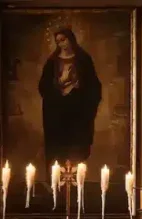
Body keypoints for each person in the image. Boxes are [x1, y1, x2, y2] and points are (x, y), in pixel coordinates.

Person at [38, 27, 102, 165]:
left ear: (71, 38)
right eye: (58, 42)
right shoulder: (52, 61)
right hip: (57, 113)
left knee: (76, 150)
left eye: (63, 40)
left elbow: (94, 86)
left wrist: (80, 87)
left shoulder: (83, 59)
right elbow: (43, 87)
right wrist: (60, 84)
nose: (62, 44)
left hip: (78, 113)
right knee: (58, 151)